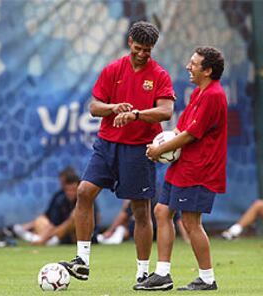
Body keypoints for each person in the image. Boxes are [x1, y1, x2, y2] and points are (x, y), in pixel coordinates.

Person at [58, 21, 175, 285]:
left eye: (148, 49)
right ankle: (82, 261)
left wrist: (135, 114)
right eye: (138, 48)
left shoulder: (159, 75)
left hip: (139, 149)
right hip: (107, 144)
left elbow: (166, 111)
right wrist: (112, 108)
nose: (143, 54)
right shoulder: (113, 70)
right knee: (84, 192)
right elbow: (94, 107)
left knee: (141, 211)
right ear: (129, 42)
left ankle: (143, 272)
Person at [137, 46, 227, 291]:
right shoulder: (199, 92)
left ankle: (207, 279)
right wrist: (158, 145)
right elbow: (180, 130)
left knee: (190, 222)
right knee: (162, 211)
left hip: (200, 169)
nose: (189, 67)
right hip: (183, 166)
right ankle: (162, 274)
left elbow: (190, 135)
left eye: (194, 64)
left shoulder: (214, 95)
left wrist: (159, 151)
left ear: (207, 70)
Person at [11, 167, 82, 246]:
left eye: (73, 190)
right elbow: (52, 220)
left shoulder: (84, 199)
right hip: (58, 233)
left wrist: (44, 238)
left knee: (74, 216)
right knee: (40, 220)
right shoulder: (60, 198)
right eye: (68, 190)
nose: (70, 193)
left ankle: (41, 239)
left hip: (77, 235)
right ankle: (43, 238)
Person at [97, 199, 190, 245]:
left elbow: (124, 216)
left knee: (136, 224)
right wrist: (186, 238)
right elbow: (178, 220)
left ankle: (118, 234)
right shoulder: (164, 196)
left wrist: (109, 231)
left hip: (148, 231)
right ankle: (117, 234)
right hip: (158, 233)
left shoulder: (140, 197)